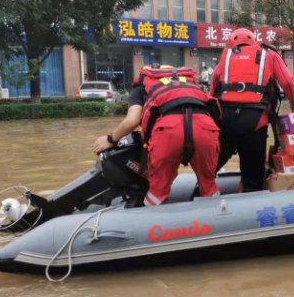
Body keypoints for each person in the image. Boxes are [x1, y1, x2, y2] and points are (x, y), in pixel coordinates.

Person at [93, 65, 222, 206]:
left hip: (168, 131)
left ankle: (153, 221)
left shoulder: (140, 87)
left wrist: (110, 139)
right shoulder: (189, 84)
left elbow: (132, 121)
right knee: (208, 184)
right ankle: (215, 218)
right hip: (205, 129)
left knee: (158, 191)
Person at [211, 28, 294, 192]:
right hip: (255, 120)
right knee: (253, 177)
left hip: (225, 119)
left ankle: (199, 197)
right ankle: (249, 202)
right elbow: (287, 82)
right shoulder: (269, 55)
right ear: (254, 41)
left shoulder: (226, 58)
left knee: (209, 169)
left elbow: (213, 90)